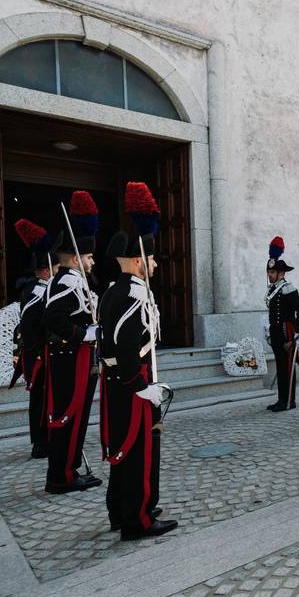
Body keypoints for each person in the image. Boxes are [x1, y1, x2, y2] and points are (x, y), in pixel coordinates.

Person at [99, 209, 178, 540]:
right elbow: (129, 344)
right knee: (138, 450)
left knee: (124, 448)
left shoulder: (112, 289)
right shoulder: (136, 293)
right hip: (131, 381)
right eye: (152, 259)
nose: (156, 265)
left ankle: (121, 509)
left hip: (116, 381)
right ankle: (138, 519)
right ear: (136, 261)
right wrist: (142, 386)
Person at [43, 190, 103, 494]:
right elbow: (54, 317)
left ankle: (65, 470)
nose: (93, 262)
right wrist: (86, 334)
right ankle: (63, 476)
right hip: (72, 356)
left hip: (72, 357)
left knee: (71, 416)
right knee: (70, 416)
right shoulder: (70, 280)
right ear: (77, 258)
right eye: (89, 257)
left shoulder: (63, 280)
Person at [12, 219, 60, 459]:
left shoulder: (41, 290)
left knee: (45, 397)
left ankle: (46, 438)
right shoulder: (37, 292)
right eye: (54, 268)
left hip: (41, 352)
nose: (57, 272)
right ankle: (40, 443)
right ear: (44, 270)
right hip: (38, 354)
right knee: (40, 398)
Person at [265, 236, 299, 412]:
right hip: (275, 330)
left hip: (285, 330)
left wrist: (296, 332)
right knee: (280, 366)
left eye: (273, 272)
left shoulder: (287, 288)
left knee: (287, 366)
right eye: (269, 271)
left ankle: (289, 400)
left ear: (281, 273)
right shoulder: (273, 290)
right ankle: (281, 399)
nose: (270, 274)